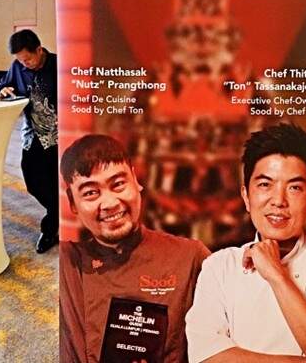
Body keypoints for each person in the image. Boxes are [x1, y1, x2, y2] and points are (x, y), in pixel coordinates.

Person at [59, 134, 212, 363]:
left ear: (136, 181)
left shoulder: (189, 257)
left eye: (118, 184)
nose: (110, 203)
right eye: (90, 192)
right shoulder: (66, 262)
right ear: (73, 203)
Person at [186, 123, 306, 362]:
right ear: (246, 196)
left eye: (294, 187)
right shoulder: (219, 266)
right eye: (265, 185)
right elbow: (205, 357)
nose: (278, 200)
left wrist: (276, 275)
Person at [0, 29, 59, 253]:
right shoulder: (18, 67)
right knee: (33, 182)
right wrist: (3, 90)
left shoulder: (59, 65)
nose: (24, 64)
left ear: (39, 50)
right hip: (33, 135)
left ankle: (50, 229)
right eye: (20, 60)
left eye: (27, 59)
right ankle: (60, 212)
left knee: (56, 181)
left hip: (60, 137)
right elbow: (2, 86)